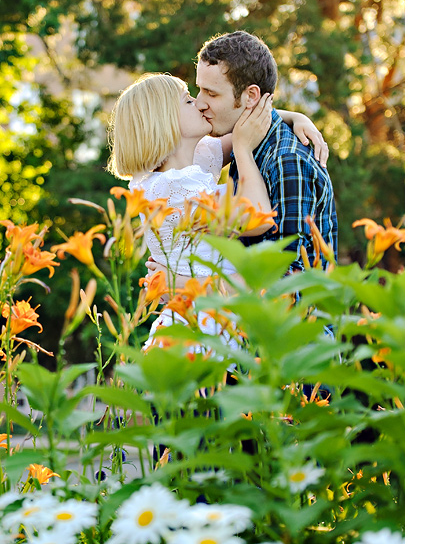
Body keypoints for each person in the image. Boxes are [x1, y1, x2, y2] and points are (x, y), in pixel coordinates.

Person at [107, 72, 326, 347]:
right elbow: (258, 217)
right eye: (187, 101)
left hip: (209, 314)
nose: (199, 104)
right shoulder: (174, 188)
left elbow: (248, 126)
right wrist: (243, 151)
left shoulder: (186, 162)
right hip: (200, 327)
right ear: (165, 122)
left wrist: (295, 117)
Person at [194, 30, 338, 271]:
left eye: (211, 93)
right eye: (199, 89)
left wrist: (185, 285)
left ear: (251, 96)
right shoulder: (245, 144)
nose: (199, 103)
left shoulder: (287, 161)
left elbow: (289, 282)